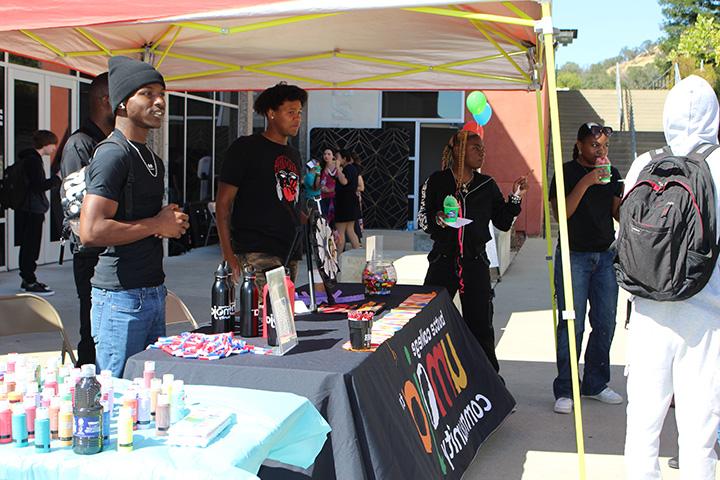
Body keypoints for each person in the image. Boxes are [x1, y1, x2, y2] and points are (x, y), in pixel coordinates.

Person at [623, 75, 720, 480]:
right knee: (699, 433)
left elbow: (624, 241)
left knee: (642, 427)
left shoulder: (644, 164)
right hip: (706, 315)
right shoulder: (717, 165)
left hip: (647, 312)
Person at [79, 56, 189, 377]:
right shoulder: (113, 154)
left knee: (147, 397)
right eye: (147, 93)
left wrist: (167, 221)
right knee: (118, 399)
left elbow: (142, 220)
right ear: (122, 104)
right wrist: (158, 224)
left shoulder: (152, 158)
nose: (159, 101)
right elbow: (91, 230)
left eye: (162, 93)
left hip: (153, 292)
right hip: (119, 299)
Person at [418, 129, 527, 373]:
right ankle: (435, 378)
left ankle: (488, 381)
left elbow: (502, 222)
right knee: (429, 321)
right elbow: (423, 222)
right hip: (442, 262)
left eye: (483, 148)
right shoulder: (436, 181)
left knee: (481, 326)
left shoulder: (486, 185)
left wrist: (516, 198)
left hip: (475, 263)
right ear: (458, 150)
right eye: (476, 148)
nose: (482, 153)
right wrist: (438, 218)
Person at [548, 122, 623, 415]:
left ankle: (595, 383)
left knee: (605, 322)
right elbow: (560, 214)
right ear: (579, 145)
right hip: (574, 256)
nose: (600, 151)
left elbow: (616, 213)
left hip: (605, 256)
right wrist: (589, 181)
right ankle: (566, 388)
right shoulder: (566, 172)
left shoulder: (613, 173)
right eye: (594, 145)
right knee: (572, 324)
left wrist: (624, 197)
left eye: (604, 146)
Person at [216, 82, 307, 290]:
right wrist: (228, 254)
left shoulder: (293, 154)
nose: (297, 118)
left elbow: (289, 203)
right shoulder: (245, 148)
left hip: (290, 250)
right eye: (291, 112)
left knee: (281, 318)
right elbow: (223, 203)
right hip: (256, 250)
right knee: (263, 316)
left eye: (300, 112)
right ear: (271, 113)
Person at [59, 72, 114, 367]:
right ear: (106, 100)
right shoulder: (81, 144)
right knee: (93, 330)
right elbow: (77, 212)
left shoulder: (112, 143)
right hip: (91, 254)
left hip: (114, 253)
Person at [16, 130, 61, 295]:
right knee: (31, 246)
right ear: (46, 144)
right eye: (53, 144)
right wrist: (57, 178)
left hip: (27, 208)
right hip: (32, 210)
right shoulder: (33, 161)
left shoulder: (28, 159)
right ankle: (29, 280)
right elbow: (38, 186)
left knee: (28, 245)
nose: (55, 148)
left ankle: (27, 278)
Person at [334, 149, 362, 252]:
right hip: (350, 203)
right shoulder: (353, 169)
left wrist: (337, 168)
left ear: (344, 158)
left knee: (341, 232)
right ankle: (357, 253)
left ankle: (338, 258)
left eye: (337, 157)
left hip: (344, 203)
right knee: (350, 230)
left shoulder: (348, 169)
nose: (336, 160)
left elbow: (344, 181)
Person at [319, 147, 337, 224]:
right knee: (325, 219)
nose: (326, 156)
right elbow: (320, 182)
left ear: (333, 156)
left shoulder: (338, 167)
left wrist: (330, 189)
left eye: (329, 154)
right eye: (325, 154)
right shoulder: (321, 167)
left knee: (334, 220)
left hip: (335, 197)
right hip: (324, 197)